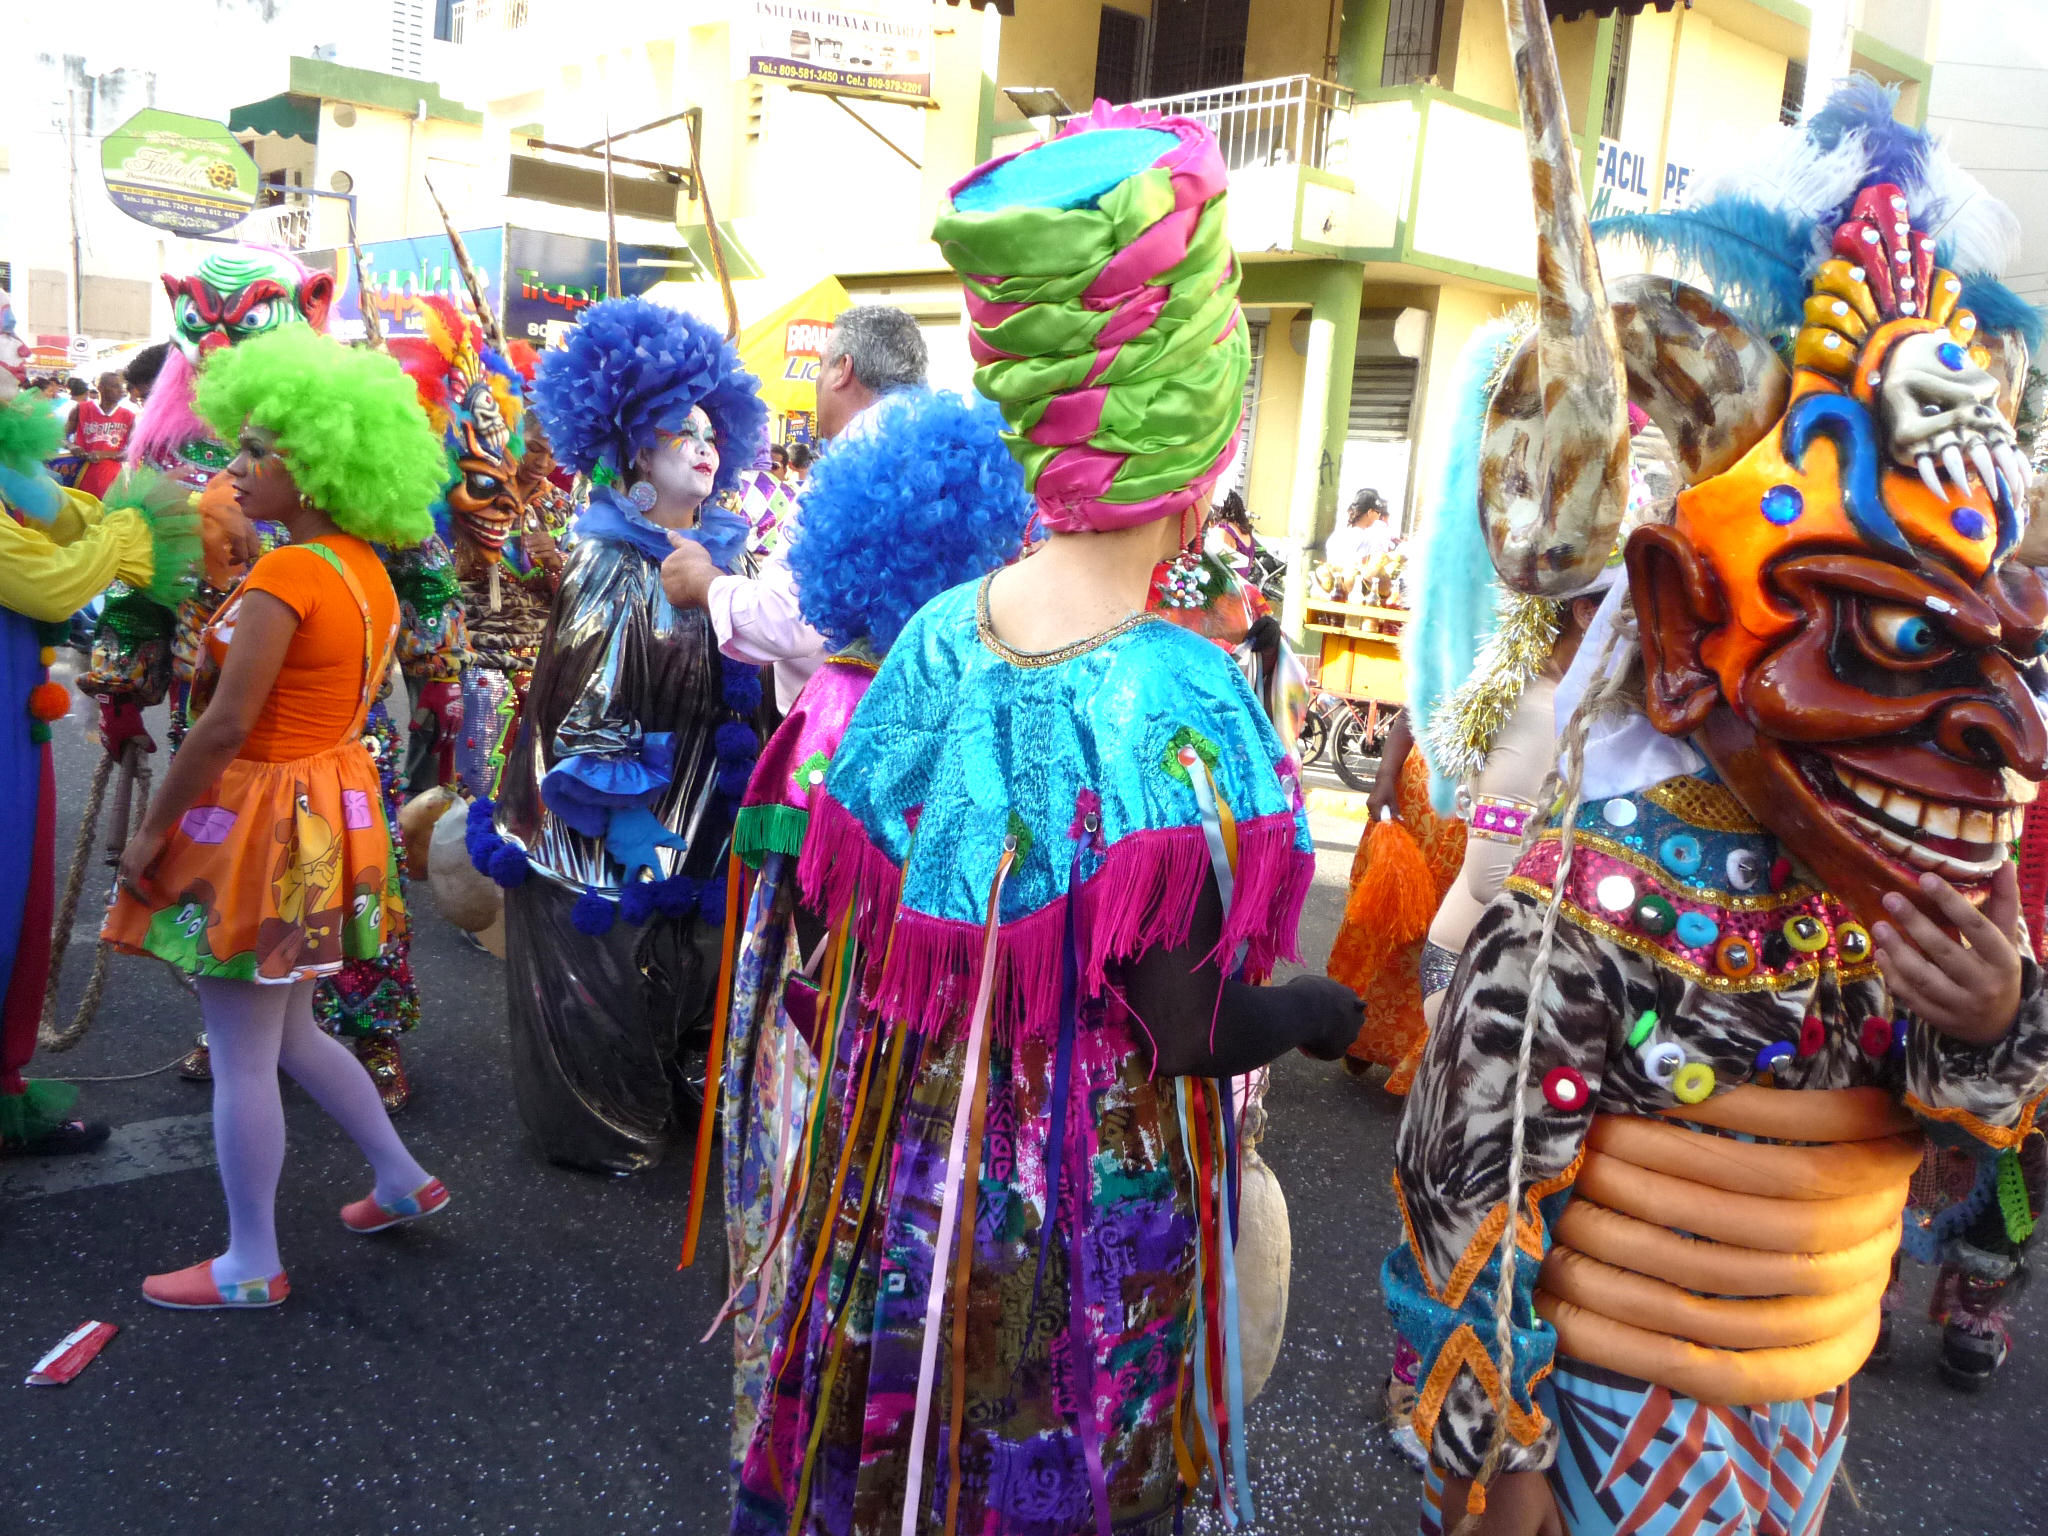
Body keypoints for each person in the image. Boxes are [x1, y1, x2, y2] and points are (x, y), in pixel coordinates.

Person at [1385, 46, 2048, 1534]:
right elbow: (1467, 1183)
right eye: (1893, 637)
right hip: (1608, 1437)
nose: (2005, 733)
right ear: (1689, 628)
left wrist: (1996, 1024)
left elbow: (1975, 1155)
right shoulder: (1601, 893)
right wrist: (1499, 1454)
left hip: (1798, 1427)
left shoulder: (1902, 897)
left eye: (2009, 652)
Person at [730, 106, 1361, 1536]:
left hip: (903, 1163)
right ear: (1194, 456)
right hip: (1066, 1208)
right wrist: (1320, 1009)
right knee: (1045, 1464)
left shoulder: (942, 633)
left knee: (912, 1450)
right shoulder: (1183, 694)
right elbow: (1193, 1030)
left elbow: (844, 899)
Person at [700, 383, 1033, 1474]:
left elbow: (789, 904)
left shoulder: (845, 695)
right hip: (895, 1041)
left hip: (835, 1039)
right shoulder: (955, 698)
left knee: (829, 1258)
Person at [101, 325, 450, 1309]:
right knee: (291, 1025)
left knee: (247, 1048)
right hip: (324, 813)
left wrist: (147, 835)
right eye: (239, 447)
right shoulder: (363, 568)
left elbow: (218, 730)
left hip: (260, 819)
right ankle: (398, 1177)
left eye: (261, 451)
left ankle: (251, 1259)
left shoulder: (285, 575)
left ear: (323, 461)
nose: (238, 469)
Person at [465, 296, 768, 1174]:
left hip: (697, 812)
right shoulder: (608, 560)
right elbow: (581, 713)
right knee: (598, 971)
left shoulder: (725, 556)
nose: (704, 445)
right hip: (602, 821)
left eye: (714, 431)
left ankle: (666, 1087)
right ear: (636, 448)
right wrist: (625, 816)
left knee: (676, 968)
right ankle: (600, 1127)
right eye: (682, 431)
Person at [0, 374, 198, 1157]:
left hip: (17, 731)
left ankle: (6, 1093)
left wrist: (105, 514)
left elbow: (61, 511)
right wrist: (125, 535)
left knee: (20, 902)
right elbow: (47, 583)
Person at [660, 306, 926, 712]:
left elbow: (785, 621)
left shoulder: (857, 468)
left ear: (843, 369)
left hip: (850, 731)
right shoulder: (944, 453)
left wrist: (703, 581)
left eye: (821, 367)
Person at [69, 372, 136, 500]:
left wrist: (105, 454)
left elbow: (132, 451)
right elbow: (60, 437)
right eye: (115, 386)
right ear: (101, 387)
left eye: (121, 386)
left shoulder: (129, 416)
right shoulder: (80, 409)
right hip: (84, 473)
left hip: (114, 477)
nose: (121, 390)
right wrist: (72, 446)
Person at [1325, 488, 1394, 567]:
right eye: (1378, 512)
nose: (1379, 517)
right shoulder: (1365, 537)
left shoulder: (1337, 535)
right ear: (1370, 512)